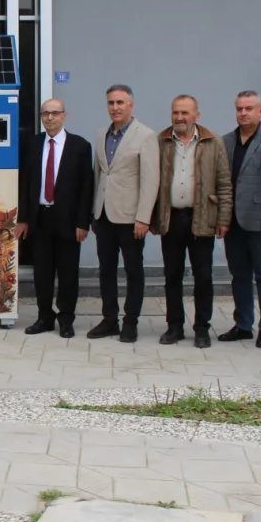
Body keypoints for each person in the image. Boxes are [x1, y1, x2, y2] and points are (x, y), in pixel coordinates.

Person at [150, 95, 231, 347]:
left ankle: (202, 328)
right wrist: (152, 218)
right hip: (171, 218)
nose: (179, 117)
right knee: (172, 276)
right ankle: (174, 326)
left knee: (203, 277)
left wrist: (223, 218)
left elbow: (224, 183)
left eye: (185, 113)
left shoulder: (213, 141)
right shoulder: (162, 141)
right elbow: (151, 182)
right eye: (175, 112)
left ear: (197, 115)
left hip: (201, 217)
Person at [14, 98, 94, 339]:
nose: (50, 118)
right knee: (42, 272)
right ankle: (44, 317)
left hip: (68, 220)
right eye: (45, 113)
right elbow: (25, 182)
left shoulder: (80, 146)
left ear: (64, 116)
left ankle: (66, 319)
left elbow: (86, 187)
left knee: (68, 273)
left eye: (55, 113)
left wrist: (83, 223)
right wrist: (23, 218)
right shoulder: (33, 144)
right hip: (39, 218)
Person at [89, 85, 159, 342]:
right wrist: (93, 212)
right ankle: (110, 319)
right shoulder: (101, 134)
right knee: (106, 270)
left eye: (120, 102)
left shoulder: (145, 135)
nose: (115, 107)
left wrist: (143, 217)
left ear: (131, 105)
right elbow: (98, 175)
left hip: (131, 218)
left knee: (133, 271)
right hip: (104, 216)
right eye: (111, 103)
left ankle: (131, 321)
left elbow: (150, 180)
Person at [219, 91, 261, 348]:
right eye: (240, 109)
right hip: (233, 220)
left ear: (260, 111)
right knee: (239, 276)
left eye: (249, 108)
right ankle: (243, 325)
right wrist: (222, 217)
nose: (243, 113)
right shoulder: (226, 141)